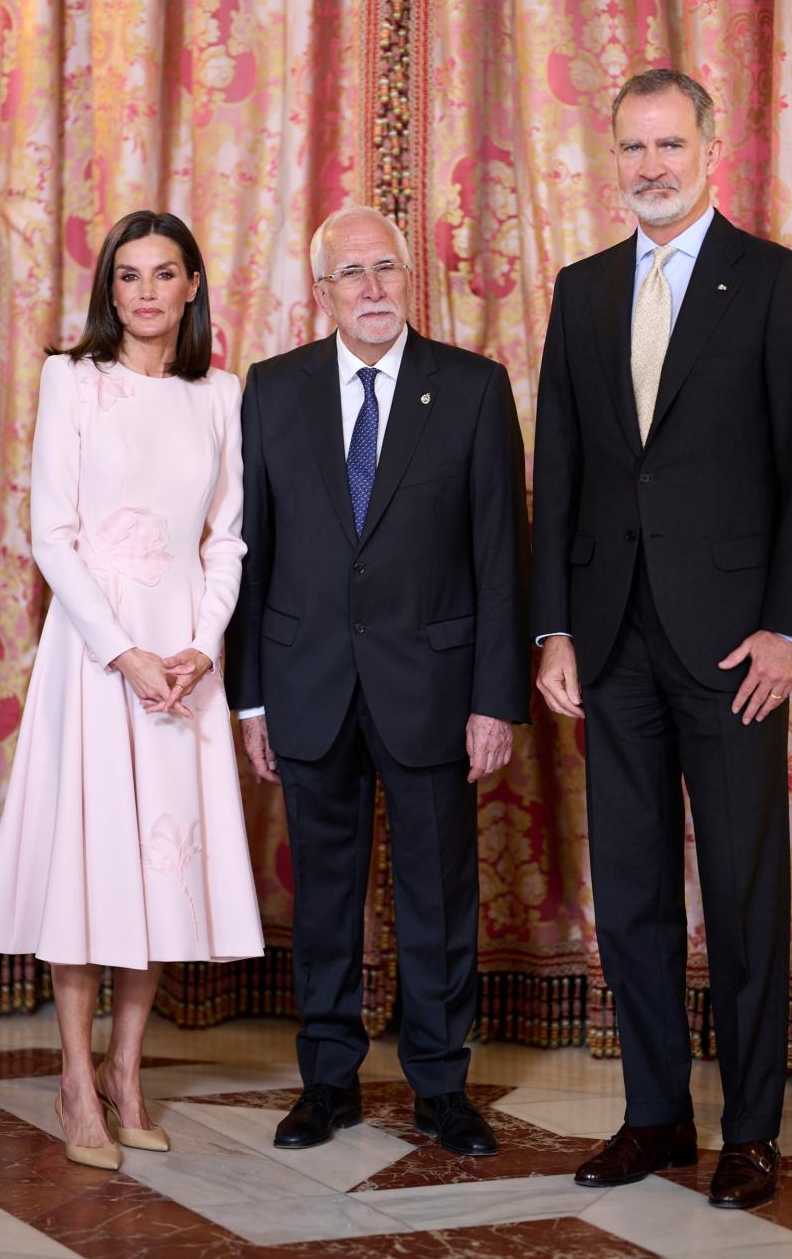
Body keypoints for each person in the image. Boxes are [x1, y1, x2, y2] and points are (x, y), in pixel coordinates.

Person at [532, 70, 792, 1209]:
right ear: (611, 159)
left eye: (669, 144)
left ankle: (751, 1130)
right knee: (632, 889)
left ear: (712, 149)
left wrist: (790, 633)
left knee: (747, 890)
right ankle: (656, 1116)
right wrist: (555, 630)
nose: (650, 165)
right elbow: (558, 470)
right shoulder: (580, 290)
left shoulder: (771, 282)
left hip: (734, 651)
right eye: (632, 148)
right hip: (611, 643)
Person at [225, 205, 530, 1156]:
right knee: (323, 895)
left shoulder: (474, 389)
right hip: (306, 682)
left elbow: (499, 557)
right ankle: (328, 1083)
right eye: (349, 273)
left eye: (385, 268)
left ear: (411, 278)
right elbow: (251, 550)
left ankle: (442, 1089)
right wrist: (252, 695)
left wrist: (495, 697)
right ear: (322, 292)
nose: (371, 288)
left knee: (441, 895)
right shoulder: (272, 390)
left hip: (435, 689)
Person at [0, 210, 264, 1171]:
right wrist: (124, 653)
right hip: (97, 658)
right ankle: (71, 1075)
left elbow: (227, 536)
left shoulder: (222, 395)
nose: (145, 292)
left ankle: (127, 1075)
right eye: (128, 275)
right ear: (111, 290)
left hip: (182, 657)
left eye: (163, 273)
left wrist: (199, 646)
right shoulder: (73, 380)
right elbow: (52, 532)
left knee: (153, 868)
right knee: (92, 862)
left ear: (191, 287)